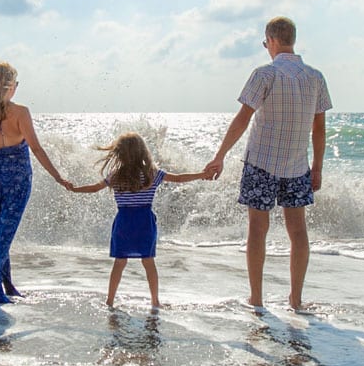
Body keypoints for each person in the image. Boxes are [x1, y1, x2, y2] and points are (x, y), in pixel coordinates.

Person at [204, 17, 332, 310]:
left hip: (261, 162)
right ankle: (295, 300)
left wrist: (220, 155)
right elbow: (319, 129)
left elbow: (242, 119)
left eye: (265, 43)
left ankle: (257, 298)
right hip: (298, 166)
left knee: (257, 229)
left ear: (271, 40)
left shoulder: (265, 74)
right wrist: (319, 167)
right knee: (298, 231)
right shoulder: (315, 77)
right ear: (292, 40)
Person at [0, 62, 70, 304]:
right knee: (0, 234)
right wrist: (57, 176)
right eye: (16, 83)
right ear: (10, 86)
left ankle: (5, 284)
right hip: (17, 177)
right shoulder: (20, 112)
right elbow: (35, 147)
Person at [66, 132, 209, 308]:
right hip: (144, 223)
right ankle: (155, 301)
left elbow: (95, 188)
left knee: (119, 262)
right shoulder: (152, 174)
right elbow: (179, 178)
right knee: (148, 262)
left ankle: (110, 300)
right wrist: (202, 174)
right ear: (142, 152)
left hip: (124, 222)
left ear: (119, 154)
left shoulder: (115, 175)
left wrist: (75, 189)